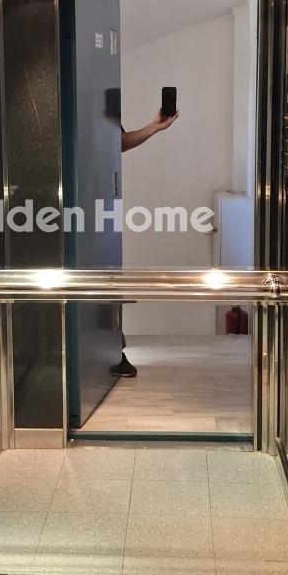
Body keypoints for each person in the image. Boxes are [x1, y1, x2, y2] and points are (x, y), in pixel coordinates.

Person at [110, 109, 180, 378]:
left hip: (96, 200)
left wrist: (154, 127)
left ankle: (112, 350)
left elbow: (120, 142)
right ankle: (107, 352)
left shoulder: (102, 100)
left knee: (104, 275)